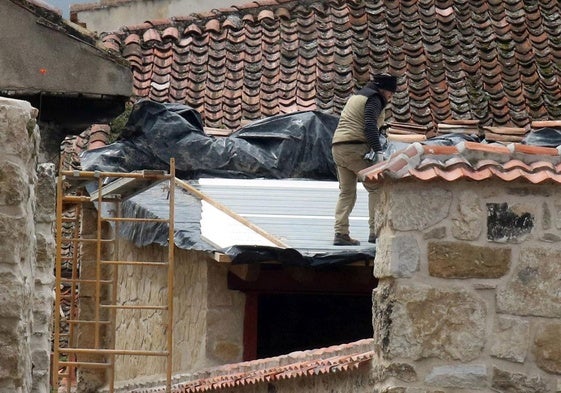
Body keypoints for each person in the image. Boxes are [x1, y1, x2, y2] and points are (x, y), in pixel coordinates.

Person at [331, 74, 398, 246]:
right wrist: (378, 151)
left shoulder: (358, 96)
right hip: (354, 148)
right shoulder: (375, 99)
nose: (391, 98)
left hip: (338, 147)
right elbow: (369, 124)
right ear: (385, 90)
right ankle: (375, 231)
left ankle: (341, 232)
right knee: (375, 187)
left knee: (346, 192)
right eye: (391, 94)